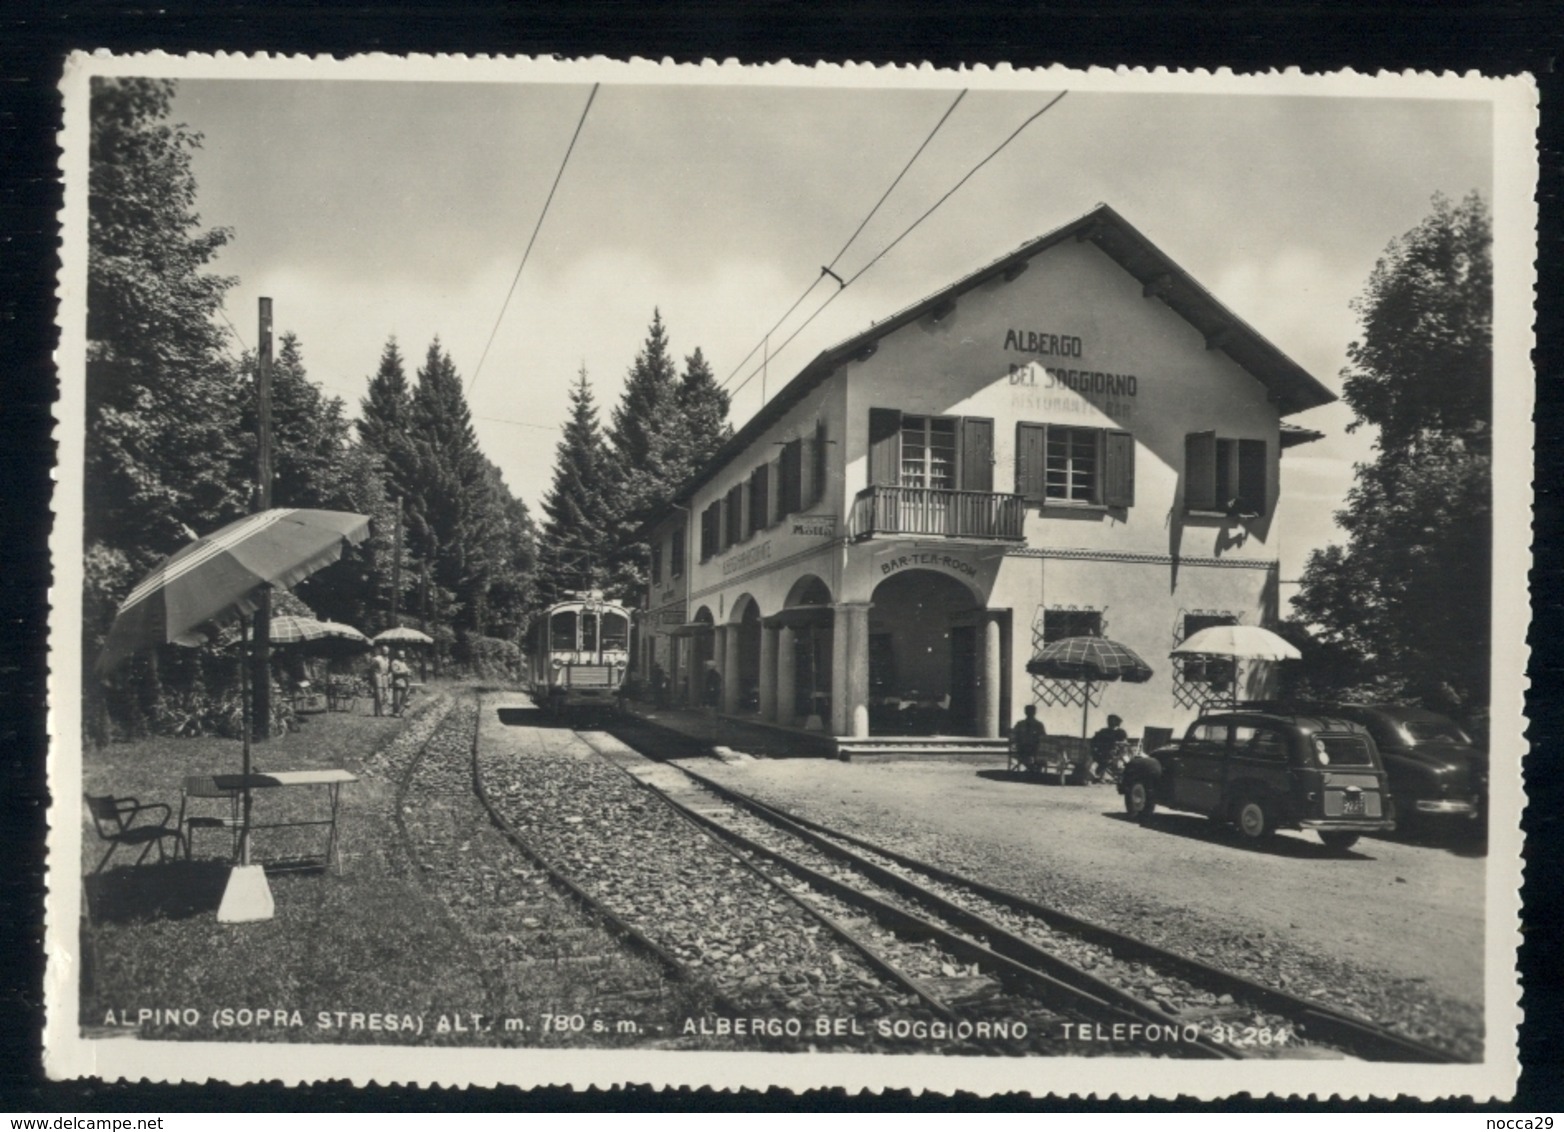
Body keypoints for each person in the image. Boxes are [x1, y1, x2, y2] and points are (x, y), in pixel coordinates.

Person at [1091, 713, 1129, 782]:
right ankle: (1096, 774)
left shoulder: (1120, 732)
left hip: (1114, 752)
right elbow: (1094, 740)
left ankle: (1100, 775)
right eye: (1109, 720)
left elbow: (1124, 742)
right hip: (1100, 751)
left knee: (1107, 758)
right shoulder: (1103, 731)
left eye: (1112, 720)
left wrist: (1116, 744)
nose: (1109, 722)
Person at [1011, 704, 1046, 774]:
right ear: (1035, 712)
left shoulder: (1020, 724)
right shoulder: (1039, 724)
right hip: (1033, 749)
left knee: (1027, 755)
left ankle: (1032, 768)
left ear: (1025, 712)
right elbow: (1043, 737)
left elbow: (1013, 735)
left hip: (1022, 749)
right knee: (1041, 754)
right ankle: (1033, 769)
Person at [368, 644, 391, 717]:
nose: (386, 652)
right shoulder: (377, 659)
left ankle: (383, 711)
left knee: (385, 694)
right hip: (378, 677)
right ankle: (378, 712)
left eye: (387, 651)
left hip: (385, 677)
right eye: (384, 650)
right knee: (378, 695)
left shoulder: (388, 659)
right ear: (381, 651)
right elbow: (371, 669)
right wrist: (373, 678)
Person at [390, 649, 412, 716]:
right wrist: (404, 672)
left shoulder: (403, 662)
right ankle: (396, 712)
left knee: (404, 697)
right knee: (397, 698)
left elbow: (406, 669)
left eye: (403, 654)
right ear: (398, 655)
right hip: (398, 682)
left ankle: (400, 711)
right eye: (401, 655)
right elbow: (394, 672)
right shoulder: (395, 662)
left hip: (404, 682)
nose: (402, 656)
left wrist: (409, 671)